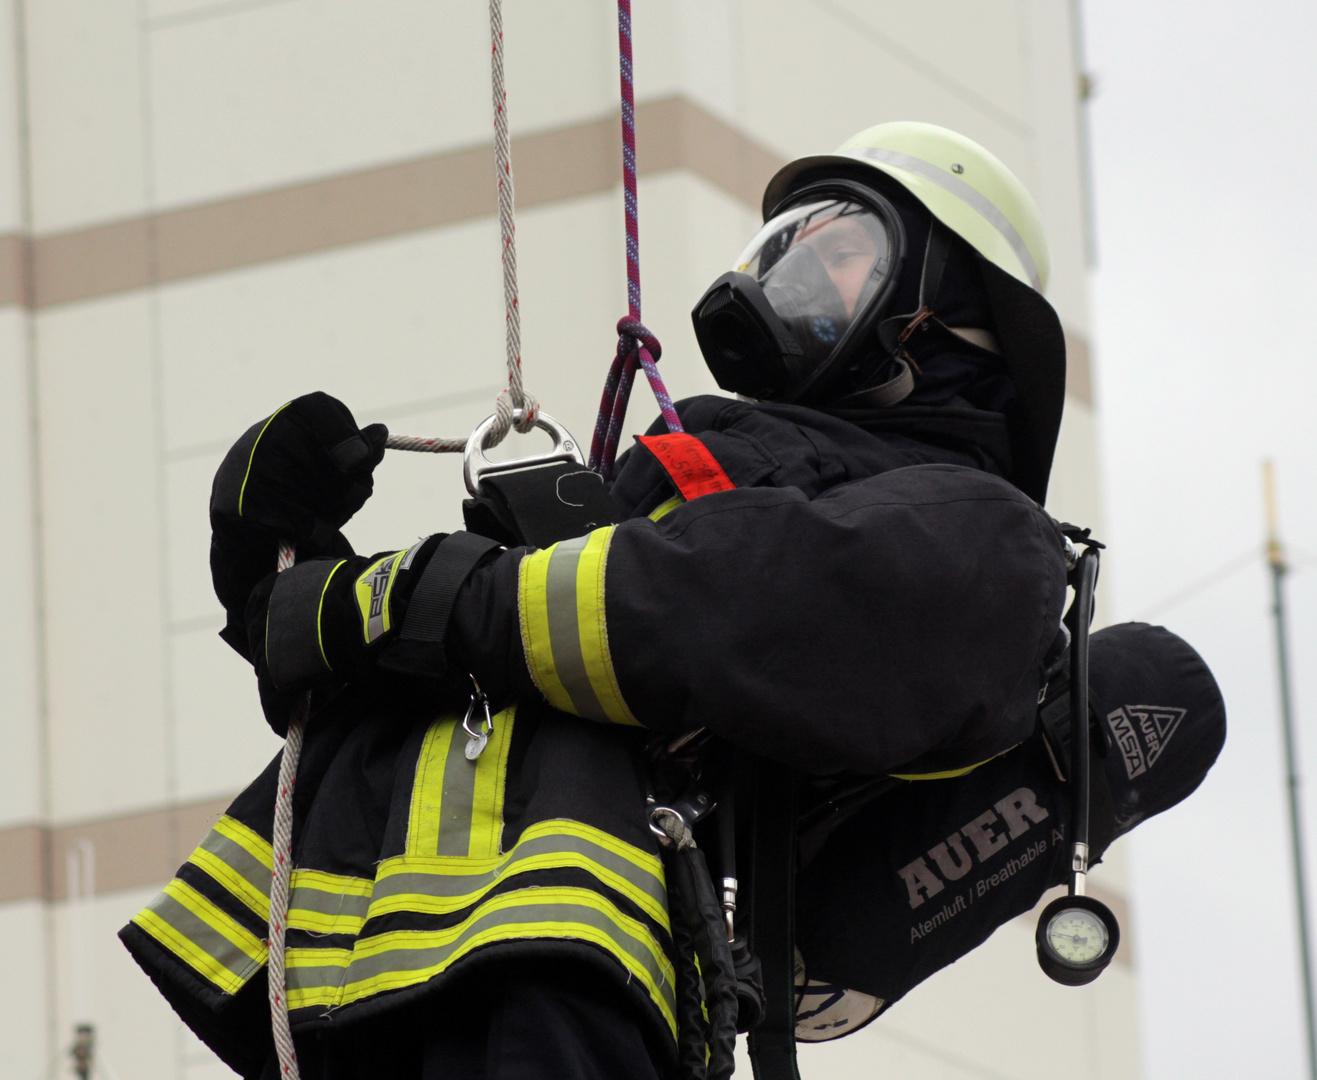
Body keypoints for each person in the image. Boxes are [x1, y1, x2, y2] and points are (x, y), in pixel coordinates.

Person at [121, 122, 1223, 1079]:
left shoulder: (972, 532)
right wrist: (279, 558)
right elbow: (420, 673)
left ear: (942, 313)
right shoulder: (696, 492)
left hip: (554, 978)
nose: (791, 273)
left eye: (842, 252)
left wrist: (413, 599)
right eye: (790, 244)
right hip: (365, 992)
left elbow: (714, 606)